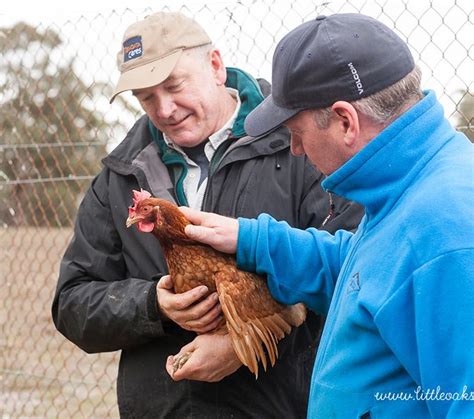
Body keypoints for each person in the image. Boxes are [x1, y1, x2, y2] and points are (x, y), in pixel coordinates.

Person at [51, 11, 363, 418]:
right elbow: (72, 303)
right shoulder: (120, 175)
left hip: (277, 405)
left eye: (173, 85)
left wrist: (244, 340)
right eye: (146, 97)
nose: (163, 109)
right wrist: (152, 306)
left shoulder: (301, 142)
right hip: (163, 407)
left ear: (215, 66)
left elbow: (354, 267)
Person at [180, 13, 474, 419]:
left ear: (344, 121)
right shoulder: (408, 189)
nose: (296, 150)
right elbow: (364, 269)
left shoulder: (449, 233)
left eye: (297, 133)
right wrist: (250, 238)